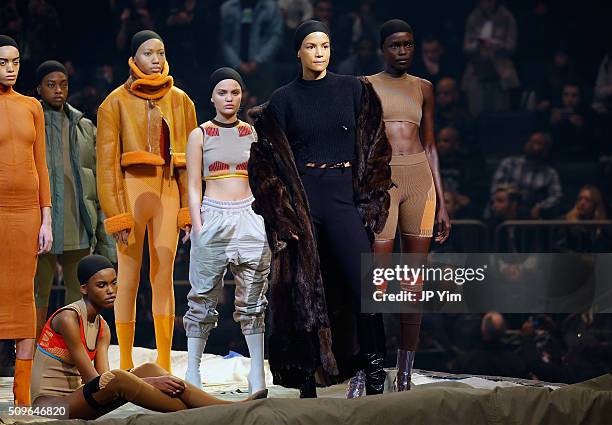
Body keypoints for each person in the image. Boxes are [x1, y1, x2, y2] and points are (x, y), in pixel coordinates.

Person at [248, 20, 391, 398]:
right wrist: (282, 214)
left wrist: (371, 202)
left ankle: (375, 369)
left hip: (345, 195)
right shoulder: (283, 99)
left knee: (364, 283)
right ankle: (306, 377)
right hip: (304, 199)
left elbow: (377, 147)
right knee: (303, 290)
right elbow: (263, 165)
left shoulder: (354, 89)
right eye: (311, 46)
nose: (319, 52)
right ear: (298, 51)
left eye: (325, 45)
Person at [31, 255, 266, 420]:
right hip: (50, 408)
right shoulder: (68, 319)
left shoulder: (102, 327)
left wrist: (146, 380)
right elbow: (97, 382)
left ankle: (224, 408)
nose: (111, 291)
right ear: (84, 288)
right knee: (124, 378)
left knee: (150, 368)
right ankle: (221, 411)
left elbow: (104, 378)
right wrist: (148, 384)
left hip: (79, 400)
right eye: (101, 285)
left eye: (114, 283)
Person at [96, 30, 197, 373]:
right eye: (148, 53)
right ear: (134, 59)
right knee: (126, 278)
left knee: (163, 277)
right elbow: (106, 167)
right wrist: (117, 214)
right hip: (131, 194)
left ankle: (164, 360)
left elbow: (189, 165)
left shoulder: (181, 101)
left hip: (168, 193)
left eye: (160, 52)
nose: (155, 59)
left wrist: (187, 210)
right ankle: (124, 361)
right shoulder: (114, 103)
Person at [367, 19, 450, 392]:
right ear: (382, 48)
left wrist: (443, 204)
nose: (403, 51)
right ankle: (367, 368)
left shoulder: (424, 88)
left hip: (420, 180)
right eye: (395, 45)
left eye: (408, 44)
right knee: (377, 284)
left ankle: (404, 371)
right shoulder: (365, 86)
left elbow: (431, 144)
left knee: (413, 285)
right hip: (384, 183)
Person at [183, 68, 270, 394]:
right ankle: (193, 371)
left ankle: (257, 375)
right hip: (213, 215)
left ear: (242, 95)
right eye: (223, 93)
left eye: (234, 92)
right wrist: (198, 223)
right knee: (203, 296)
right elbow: (192, 184)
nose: (229, 98)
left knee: (253, 297)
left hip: (249, 214)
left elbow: (263, 180)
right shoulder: (200, 134)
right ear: (212, 97)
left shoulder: (253, 132)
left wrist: (264, 220)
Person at [34, 60, 116, 337]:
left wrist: (100, 223)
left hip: (77, 219)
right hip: (40, 221)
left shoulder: (83, 125)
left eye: (63, 84)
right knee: (37, 291)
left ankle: (68, 349)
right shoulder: (32, 122)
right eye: (51, 84)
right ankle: (29, 353)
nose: (58, 90)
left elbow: (95, 174)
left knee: (76, 292)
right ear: (39, 89)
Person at [0, 34, 52, 406]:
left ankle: (22, 396)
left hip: (27, 212)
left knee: (24, 297)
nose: (10, 69)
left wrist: (46, 218)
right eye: (3, 62)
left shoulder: (32, 106)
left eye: (15, 62)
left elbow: (42, 166)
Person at [462, 0, 519, 116]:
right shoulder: (474, 17)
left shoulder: (506, 18)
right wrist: (478, 44)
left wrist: (494, 44)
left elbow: (511, 46)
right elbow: (466, 46)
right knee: (477, 113)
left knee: (499, 114)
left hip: (500, 72)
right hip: (477, 71)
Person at [490, 131, 562, 219]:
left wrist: (540, 207)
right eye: (530, 141)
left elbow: (556, 196)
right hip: (505, 210)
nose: (531, 145)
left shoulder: (550, 173)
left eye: (537, 143)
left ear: (545, 149)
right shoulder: (509, 163)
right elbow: (496, 188)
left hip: (530, 215)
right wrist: (508, 201)